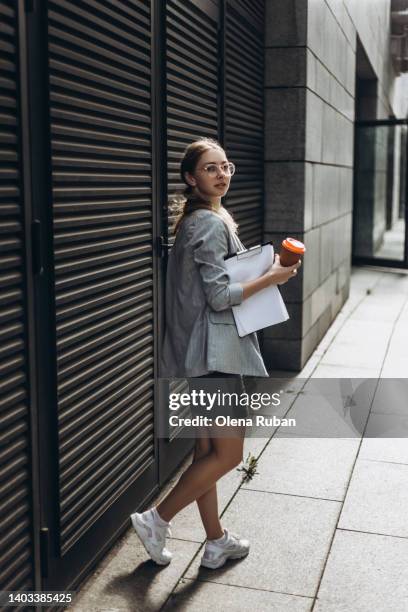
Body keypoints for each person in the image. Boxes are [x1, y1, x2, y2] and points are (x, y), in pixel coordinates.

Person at [130, 137, 301, 568]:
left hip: (199, 353)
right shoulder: (207, 224)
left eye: (226, 166)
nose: (221, 174)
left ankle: (216, 540)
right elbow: (220, 296)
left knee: (207, 455)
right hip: (214, 353)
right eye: (210, 168)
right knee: (229, 455)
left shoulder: (201, 219)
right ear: (191, 178)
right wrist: (274, 277)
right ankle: (157, 519)